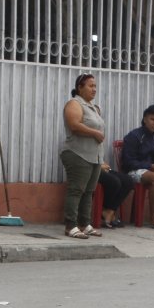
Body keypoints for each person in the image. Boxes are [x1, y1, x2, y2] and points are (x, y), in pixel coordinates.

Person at [59, 74, 105, 239]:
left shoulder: (93, 107)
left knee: (88, 191)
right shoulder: (74, 103)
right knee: (76, 190)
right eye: (90, 86)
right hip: (77, 153)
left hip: (94, 156)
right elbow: (74, 125)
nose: (94, 89)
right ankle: (70, 225)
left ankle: (85, 224)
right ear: (80, 87)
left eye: (95, 86)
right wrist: (94, 133)